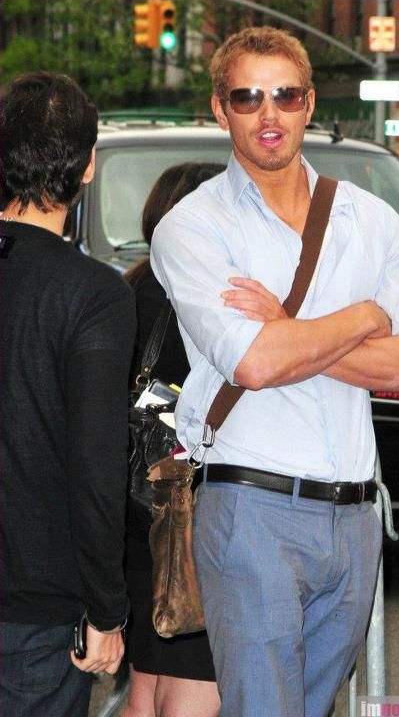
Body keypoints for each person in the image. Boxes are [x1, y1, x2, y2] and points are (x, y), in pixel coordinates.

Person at [150, 26, 399, 717]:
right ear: (220, 110)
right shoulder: (193, 226)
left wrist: (288, 327)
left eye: (285, 95)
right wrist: (366, 315)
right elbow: (255, 362)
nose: (269, 113)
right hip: (251, 508)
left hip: (356, 517)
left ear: (309, 103)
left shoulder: (370, 219)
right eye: (247, 97)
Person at [0, 72, 135, 716]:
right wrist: (107, 609)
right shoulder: (94, 295)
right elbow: (95, 465)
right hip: (35, 614)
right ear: (87, 167)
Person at [123, 163, 224, 717]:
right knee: (193, 689)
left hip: (136, 514)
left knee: (147, 688)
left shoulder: (130, 287)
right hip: (188, 520)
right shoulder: (200, 294)